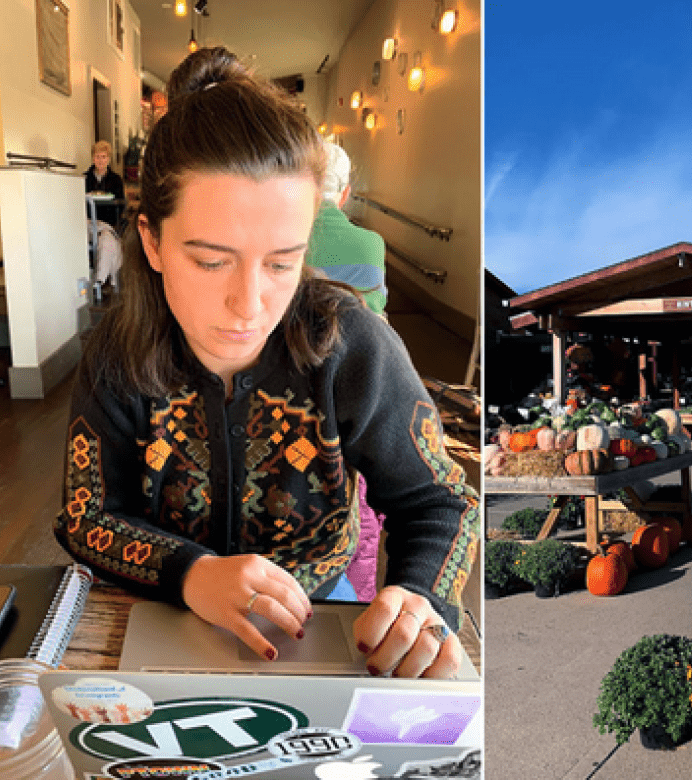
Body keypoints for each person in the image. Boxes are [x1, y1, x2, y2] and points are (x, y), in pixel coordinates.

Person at [54, 47, 479, 679]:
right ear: (152, 242)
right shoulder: (117, 354)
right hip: (157, 609)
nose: (250, 304)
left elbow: (441, 501)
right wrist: (192, 573)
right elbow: (85, 516)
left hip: (315, 614)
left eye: (282, 263)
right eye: (210, 260)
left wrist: (419, 597)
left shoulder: (353, 348)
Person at [305, 142, 388, 315]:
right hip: (359, 338)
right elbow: (376, 307)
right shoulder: (372, 244)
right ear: (345, 194)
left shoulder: (281, 241)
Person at [84, 140, 126, 228]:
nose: (100, 160)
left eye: (104, 157)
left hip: (109, 224)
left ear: (108, 159)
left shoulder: (116, 180)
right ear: (93, 159)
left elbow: (121, 204)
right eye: (97, 157)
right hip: (88, 222)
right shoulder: (85, 178)